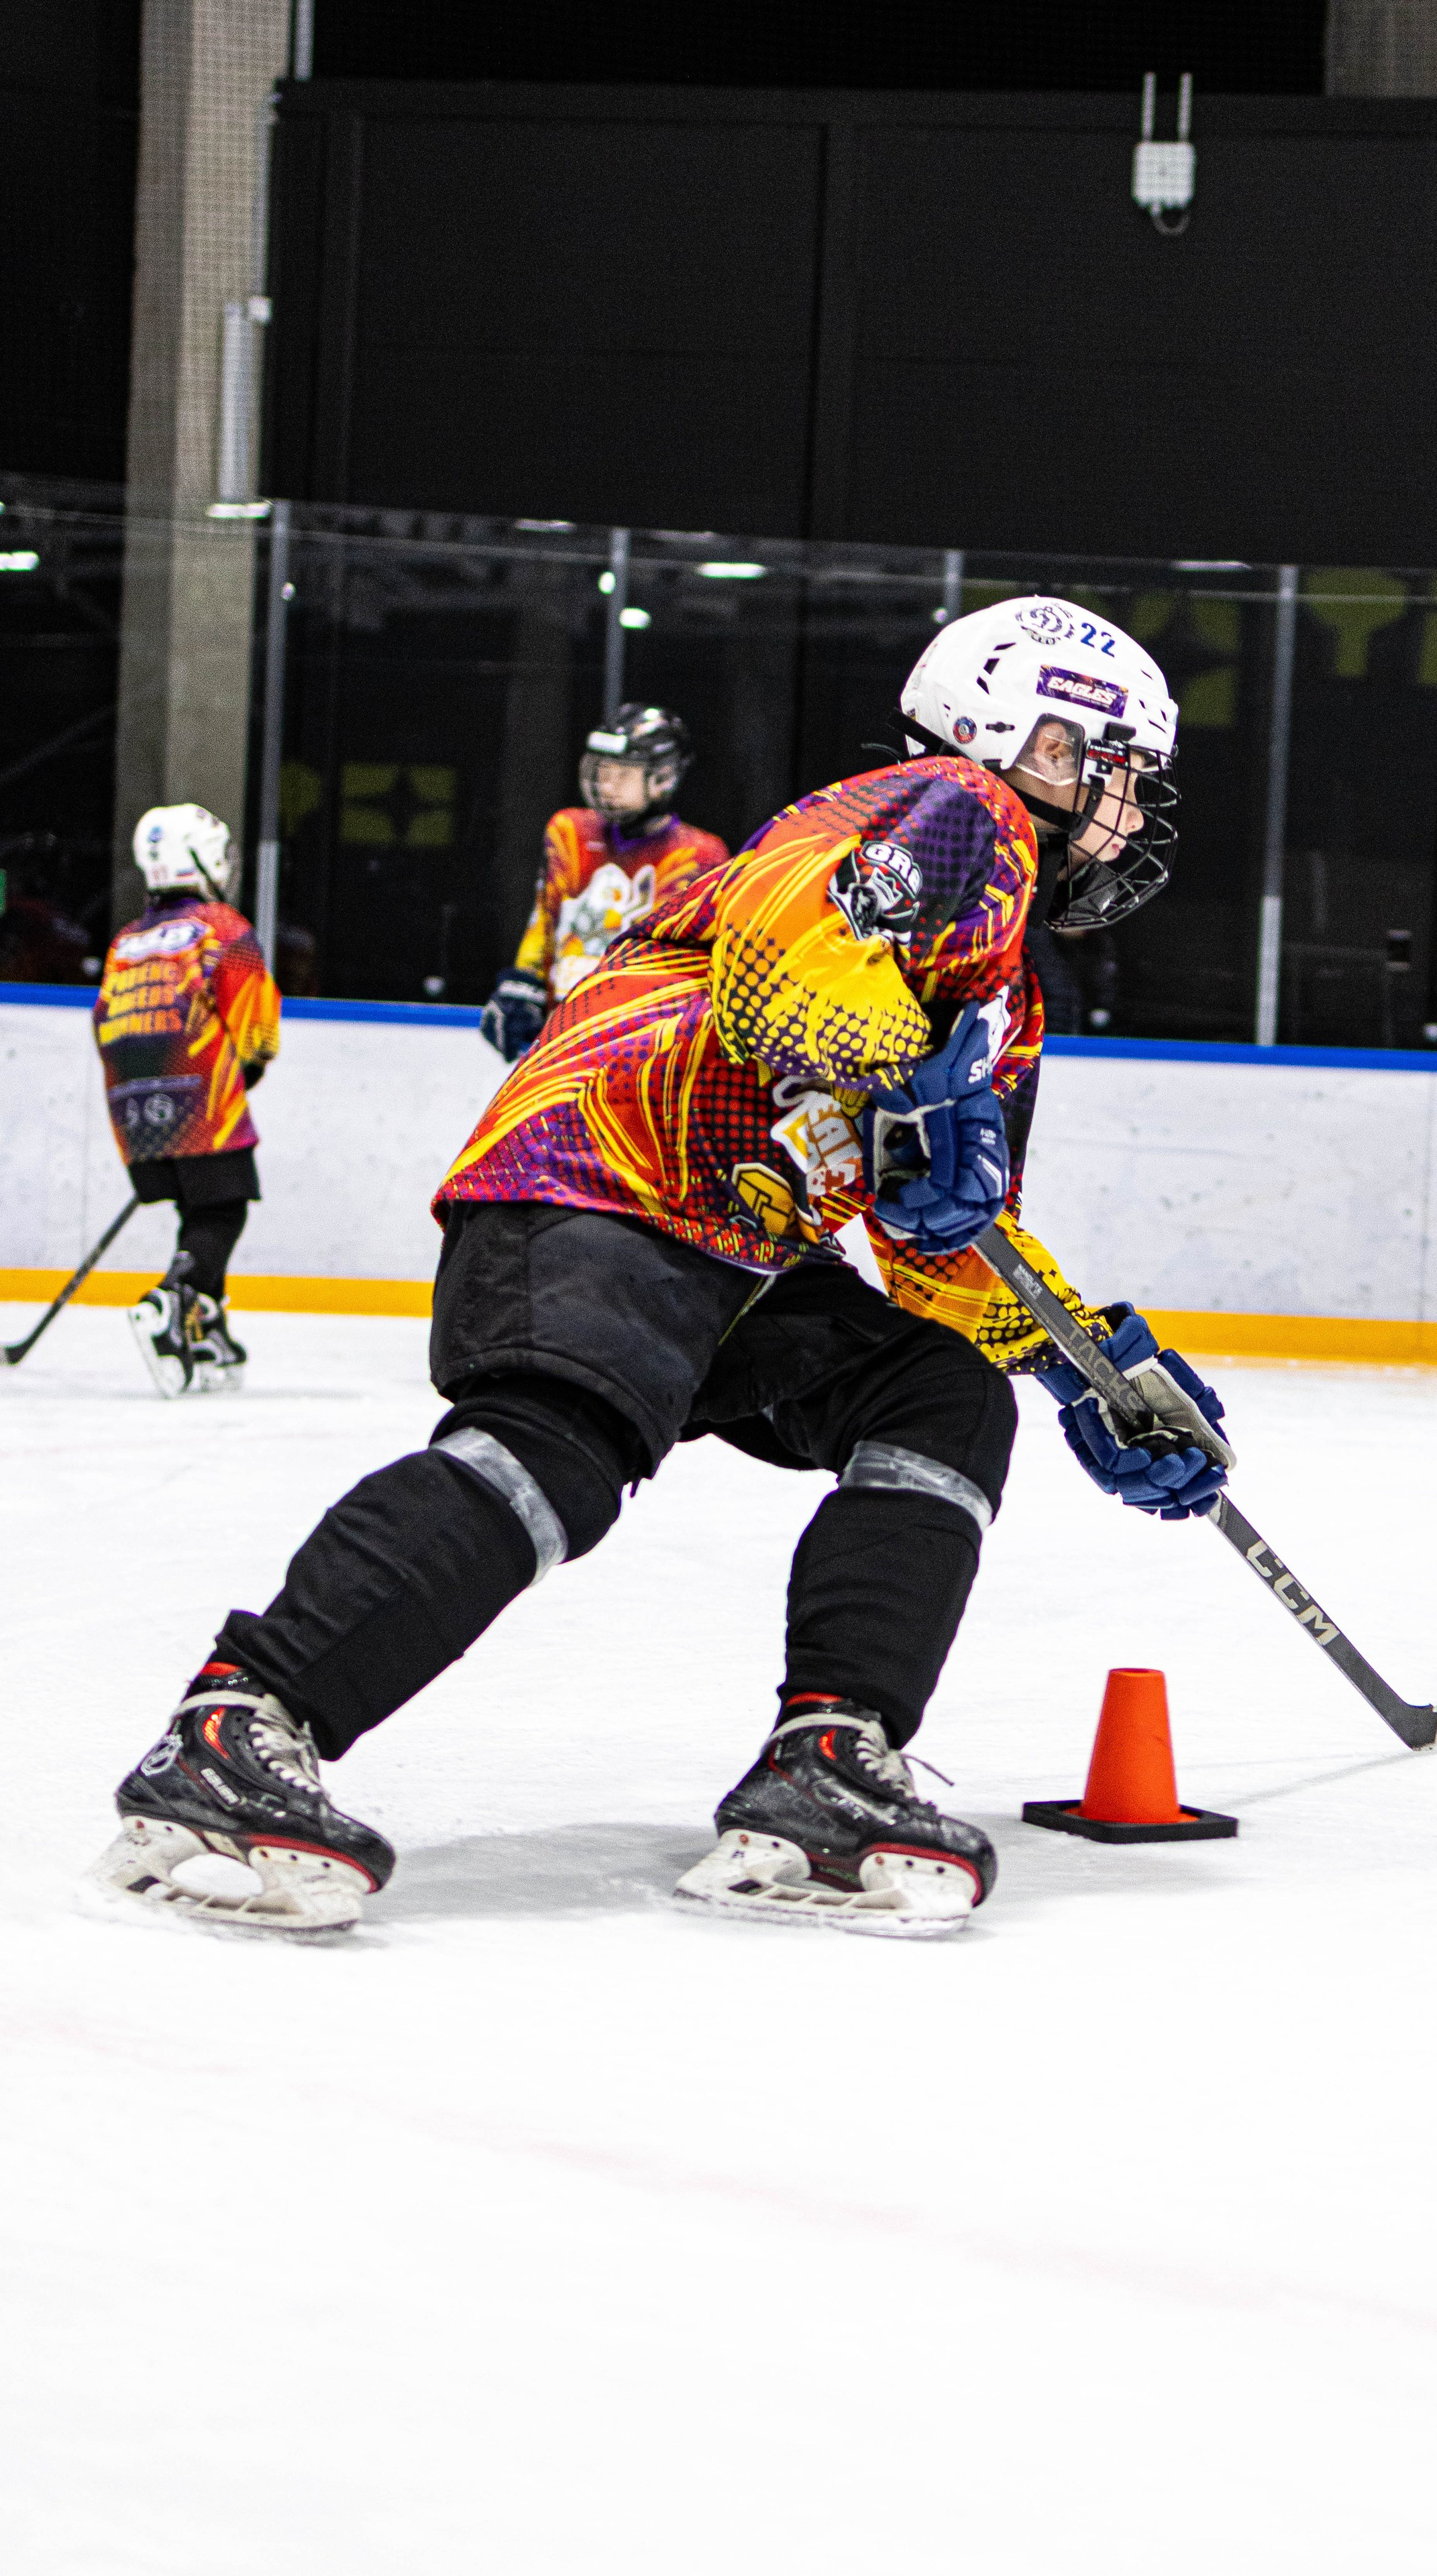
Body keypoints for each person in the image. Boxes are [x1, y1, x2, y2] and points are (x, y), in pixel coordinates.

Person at [89, 598, 1228, 1940]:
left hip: (733, 1247)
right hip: (608, 1173)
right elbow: (780, 969)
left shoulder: (1001, 983)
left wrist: (1083, 1360)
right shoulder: (947, 804)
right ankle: (241, 1724)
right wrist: (906, 1095)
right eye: (1115, 766)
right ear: (1026, 740)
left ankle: (829, 1754)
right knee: (554, 1453)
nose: (1125, 807)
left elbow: (942, 1238)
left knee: (938, 1390)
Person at [93, 805, 281, 1397]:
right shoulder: (221, 926)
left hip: (130, 1107)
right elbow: (257, 1028)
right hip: (202, 1096)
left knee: (198, 1212)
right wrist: (244, 1070)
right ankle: (171, 1300)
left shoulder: (125, 941)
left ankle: (203, 1326)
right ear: (198, 859)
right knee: (224, 1210)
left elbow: (105, 1021)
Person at [480, 704, 727, 1060]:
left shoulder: (699, 855)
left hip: (641, 1041)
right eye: (600, 772)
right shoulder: (569, 831)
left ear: (664, 778)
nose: (605, 787)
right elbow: (546, 918)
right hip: (559, 1031)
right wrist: (523, 984)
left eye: (622, 776)